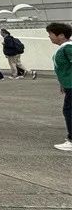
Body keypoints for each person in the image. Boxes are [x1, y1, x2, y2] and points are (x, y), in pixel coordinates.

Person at [47, 21, 72, 152]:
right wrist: (63, 83)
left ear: (61, 35)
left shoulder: (67, 48)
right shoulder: (64, 47)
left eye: (51, 34)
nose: (49, 36)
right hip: (68, 85)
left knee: (69, 111)